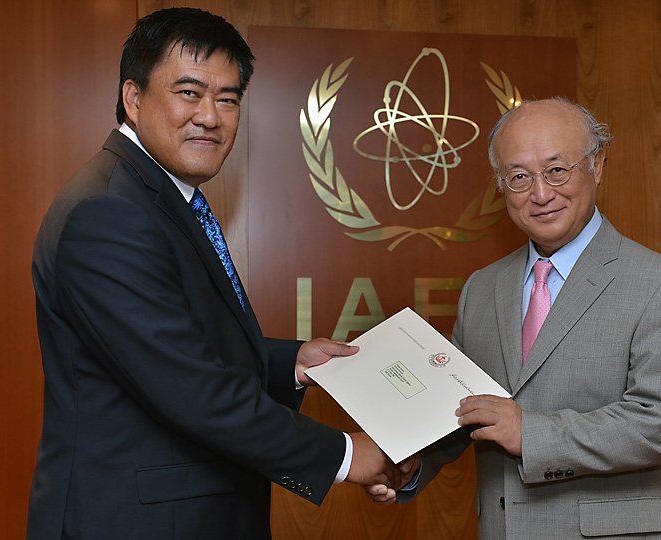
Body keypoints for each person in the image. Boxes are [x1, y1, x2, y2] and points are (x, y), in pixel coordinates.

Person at [27, 8, 412, 540]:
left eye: (228, 99)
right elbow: (191, 388)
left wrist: (291, 364)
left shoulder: (156, 195)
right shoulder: (109, 212)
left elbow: (180, 342)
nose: (210, 116)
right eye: (189, 93)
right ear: (133, 98)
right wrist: (347, 455)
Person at [366, 98, 661, 539]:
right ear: (501, 184)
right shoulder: (482, 289)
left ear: (597, 165)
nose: (541, 194)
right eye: (519, 177)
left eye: (557, 170)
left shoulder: (660, 284)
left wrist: (532, 434)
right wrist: (412, 462)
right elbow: (461, 408)